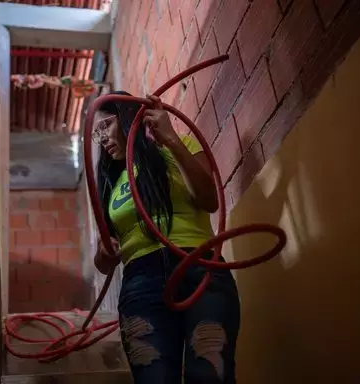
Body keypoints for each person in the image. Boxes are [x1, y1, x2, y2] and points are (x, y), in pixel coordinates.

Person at [92, 91, 241, 384]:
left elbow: (209, 200)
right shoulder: (112, 182)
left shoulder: (181, 145)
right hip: (140, 282)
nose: (103, 139)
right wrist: (106, 253)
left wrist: (170, 138)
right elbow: (104, 261)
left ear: (126, 116)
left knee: (210, 375)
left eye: (106, 125)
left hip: (199, 267)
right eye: (97, 134)